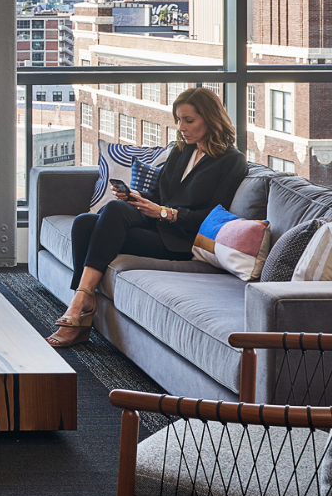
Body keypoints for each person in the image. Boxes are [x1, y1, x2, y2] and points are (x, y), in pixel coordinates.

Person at [47, 87, 247, 348]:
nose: (181, 127)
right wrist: (138, 198)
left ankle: (79, 306)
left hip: (182, 240)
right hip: (156, 223)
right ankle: (81, 300)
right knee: (84, 222)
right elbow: (160, 191)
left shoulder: (232, 161)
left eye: (189, 120)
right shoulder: (181, 150)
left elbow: (214, 216)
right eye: (178, 119)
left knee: (108, 217)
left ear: (210, 119)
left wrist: (167, 213)